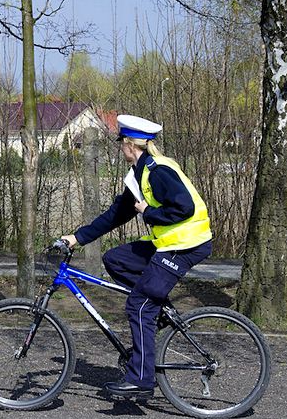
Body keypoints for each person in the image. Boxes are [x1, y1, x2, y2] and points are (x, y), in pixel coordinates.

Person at [61, 114, 212, 399]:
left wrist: (148, 212)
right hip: (167, 242)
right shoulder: (138, 175)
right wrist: (77, 238)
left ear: (131, 145)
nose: (121, 149)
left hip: (186, 244)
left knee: (139, 305)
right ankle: (160, 309)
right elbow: (115, 215)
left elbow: (185, 208)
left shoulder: (157, 171)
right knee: (116, 259)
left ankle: (141, 380)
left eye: (122, 144)